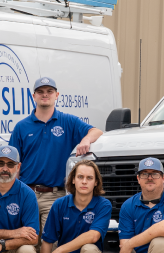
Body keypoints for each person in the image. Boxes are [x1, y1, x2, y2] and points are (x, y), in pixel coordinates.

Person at [9, 77, 103, 234]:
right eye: (40, 92)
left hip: (55, 196)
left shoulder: (68, 121)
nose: (45, 95)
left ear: (57, 95)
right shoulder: (21, 127)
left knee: (49, 243)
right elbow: (14, 165)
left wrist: (85, 139)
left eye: (49, 91)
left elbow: (97, 131)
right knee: (27, 244)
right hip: (26, 194)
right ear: (33, 96)